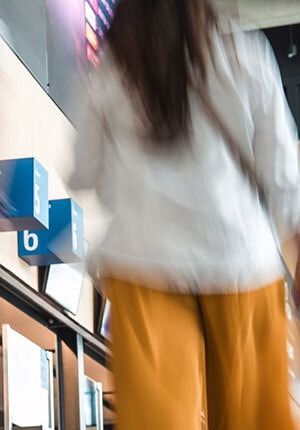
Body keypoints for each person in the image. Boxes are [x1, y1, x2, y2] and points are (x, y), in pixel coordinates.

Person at [69, 1, 300, 428]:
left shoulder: (108, 75)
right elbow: (286, 179)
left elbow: (86, 172)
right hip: (242, 265)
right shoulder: (246, 59)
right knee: (252, 420)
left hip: (144, 266)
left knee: (159, 421)